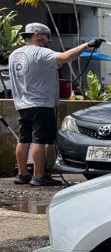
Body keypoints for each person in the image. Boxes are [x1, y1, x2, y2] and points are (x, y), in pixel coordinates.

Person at [8, 23, 100, 186]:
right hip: (41, 103)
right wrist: (87, 45)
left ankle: (22, 175)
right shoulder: (41, 52)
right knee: (39, 141)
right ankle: (39, 176)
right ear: (36, 35)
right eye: (46, 36)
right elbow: (65, 58)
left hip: (22, 104)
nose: (49, 40)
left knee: (23, 139)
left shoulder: (15, 54)